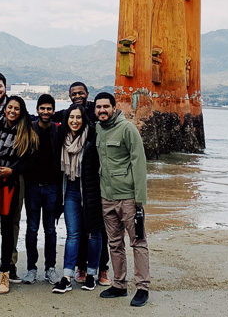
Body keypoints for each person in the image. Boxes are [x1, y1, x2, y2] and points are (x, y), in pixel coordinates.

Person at [0, 95, 39, 294]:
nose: (12, 111)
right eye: (10, 107)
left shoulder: (26, 132)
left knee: (7, 228)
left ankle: (6, 272)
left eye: (17, 109)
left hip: (10, 184)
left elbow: (30, 161)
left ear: (21, 112)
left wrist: (13, 170)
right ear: (5, 108)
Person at [94, 92, 150, 308]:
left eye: (105, 107)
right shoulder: (98, 128)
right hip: (106, 196)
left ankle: (142, 287)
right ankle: (119, 284)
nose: (101, 110)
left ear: (114, 107)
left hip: (128, 197)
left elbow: (139, 163)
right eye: (98, 107)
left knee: (138, 242)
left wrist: (139, 200)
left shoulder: (127, 128)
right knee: (114, 243)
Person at [54, 81, 110, 286]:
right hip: (70, 188)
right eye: (71, 117)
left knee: (95, 231)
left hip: (91, 189)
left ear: (87, 94)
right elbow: (46, 118)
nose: (75, 120)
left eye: (80, 93)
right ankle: (70, 273)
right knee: (74, 233)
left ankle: (97, 272)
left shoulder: (94, 132)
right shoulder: (61, 136)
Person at [22, 94, 60, 285]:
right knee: (32, 229)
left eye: (49, 109)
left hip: (52, 187)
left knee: (51, 230)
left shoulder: (57, 130)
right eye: (42, 109)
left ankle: (50, 268)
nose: (46, 112)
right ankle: (31, 268)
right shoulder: (30, 129)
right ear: (37, 110)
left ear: (53, 111)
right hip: (32, 188)